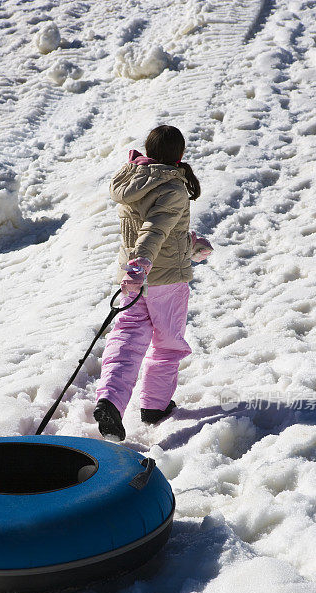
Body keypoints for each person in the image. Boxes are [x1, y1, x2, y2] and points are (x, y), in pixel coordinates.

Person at [93, 124, 212, 441]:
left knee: (127, 342)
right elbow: (154, 232)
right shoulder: (172, 188)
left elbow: (156, 228)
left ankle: (110, 403)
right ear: (181, 154)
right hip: (163, 281)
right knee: (167, 346)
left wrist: (191, 246)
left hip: (132, 283)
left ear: (148, 152)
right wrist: (143, 264)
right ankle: (155, 407)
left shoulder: (133, 179)